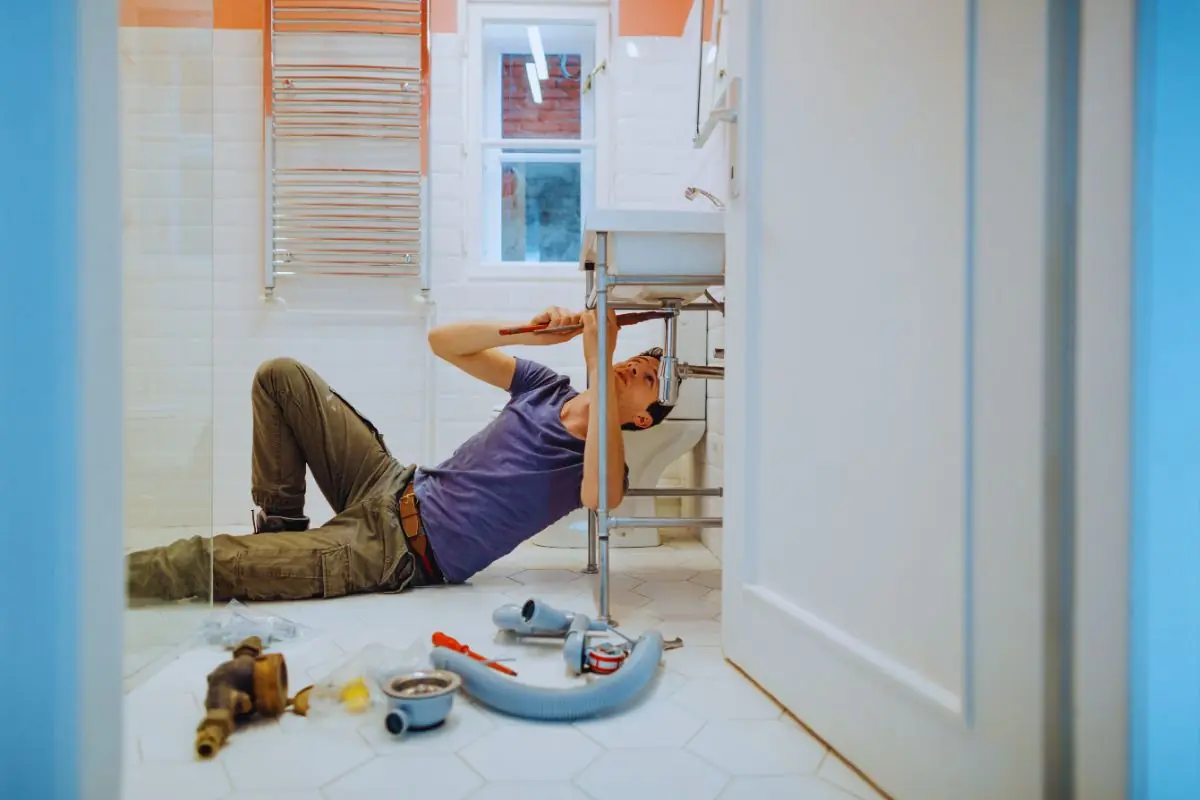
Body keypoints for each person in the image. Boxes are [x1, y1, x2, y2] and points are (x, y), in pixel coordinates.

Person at [126, 306, 673, 602]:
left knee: (204, 559)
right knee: (280, 377)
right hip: (387, 482)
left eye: (648, 378)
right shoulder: (545, 385)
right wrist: (528, 333)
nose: (635, 367)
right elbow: (442, 341)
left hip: (393, 552)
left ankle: (92, 586)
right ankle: (282, 530)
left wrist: (599, 365)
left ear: (643, 417)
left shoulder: (607, 458)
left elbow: (600, 496)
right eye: (637, 361)